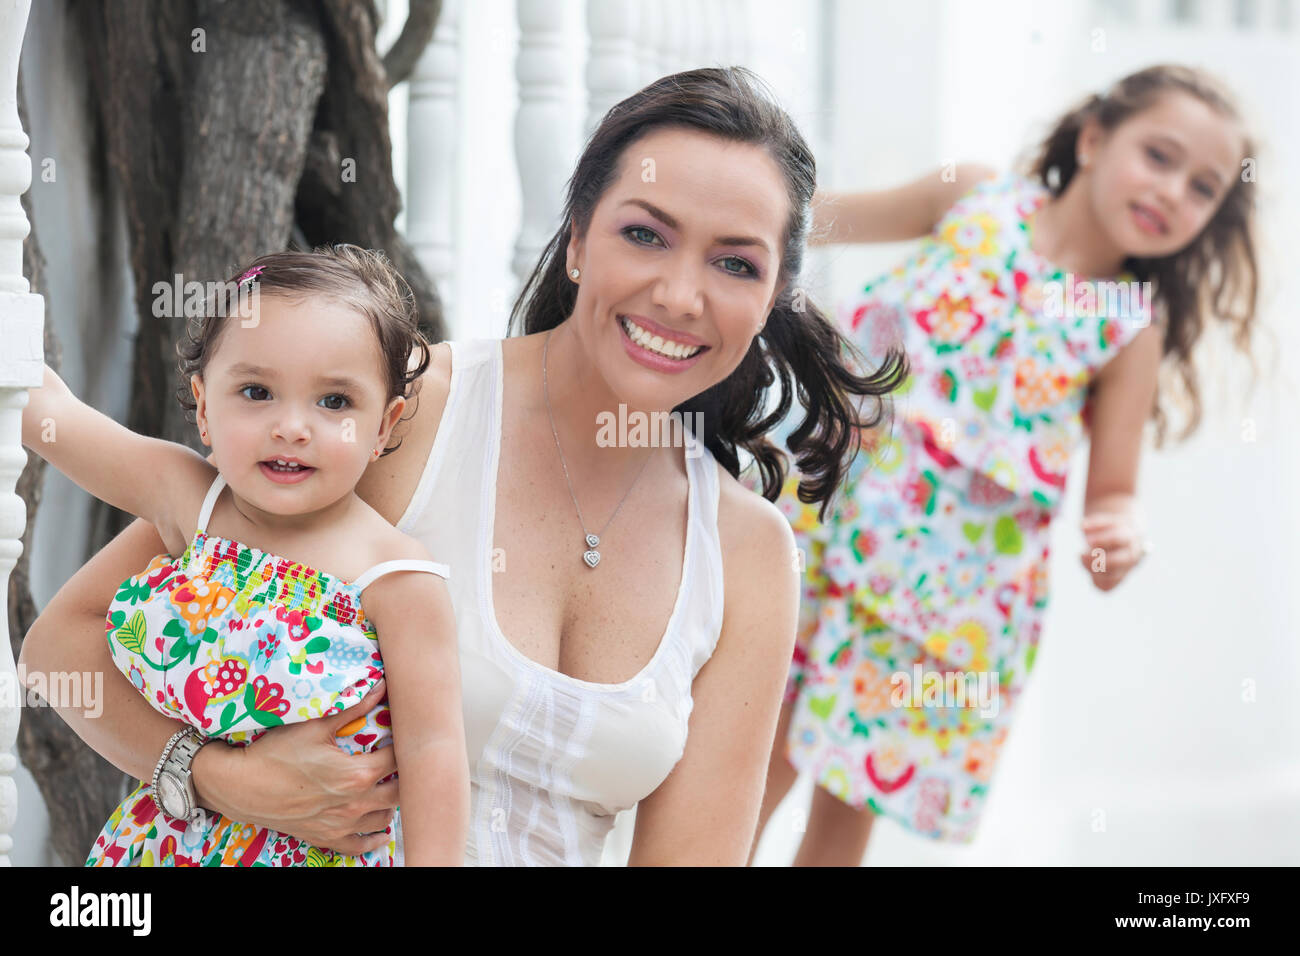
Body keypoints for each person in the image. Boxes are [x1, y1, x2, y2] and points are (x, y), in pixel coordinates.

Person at [19, 66, 906, 866]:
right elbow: (65, 644)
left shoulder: (747, 555)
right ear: (575, 242)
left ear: (772, 300)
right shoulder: (398, 416)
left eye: (734, 263)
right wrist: (216, 778)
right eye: (644, 235)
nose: (680, 294)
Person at [750, 64, 1260, 865]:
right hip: (824, 529)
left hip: (945, 604)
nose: (1173, 192)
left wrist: (1117, 535)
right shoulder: (974, 201)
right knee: (753, 761)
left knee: (844, 812)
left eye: (1203, 188)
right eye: (1158, 156)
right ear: (1094, 139)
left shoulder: (1130, 325)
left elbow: (1115, 491)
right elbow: (809, 223)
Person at [19, 245, 468, 866]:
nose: (291, 426)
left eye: (334, 401)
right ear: (204, 407)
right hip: (164, 847)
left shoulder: (395, 577)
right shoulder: (196, 505)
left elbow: (435, 755)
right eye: (256, 391)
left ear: (384, 426)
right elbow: (51, 415)